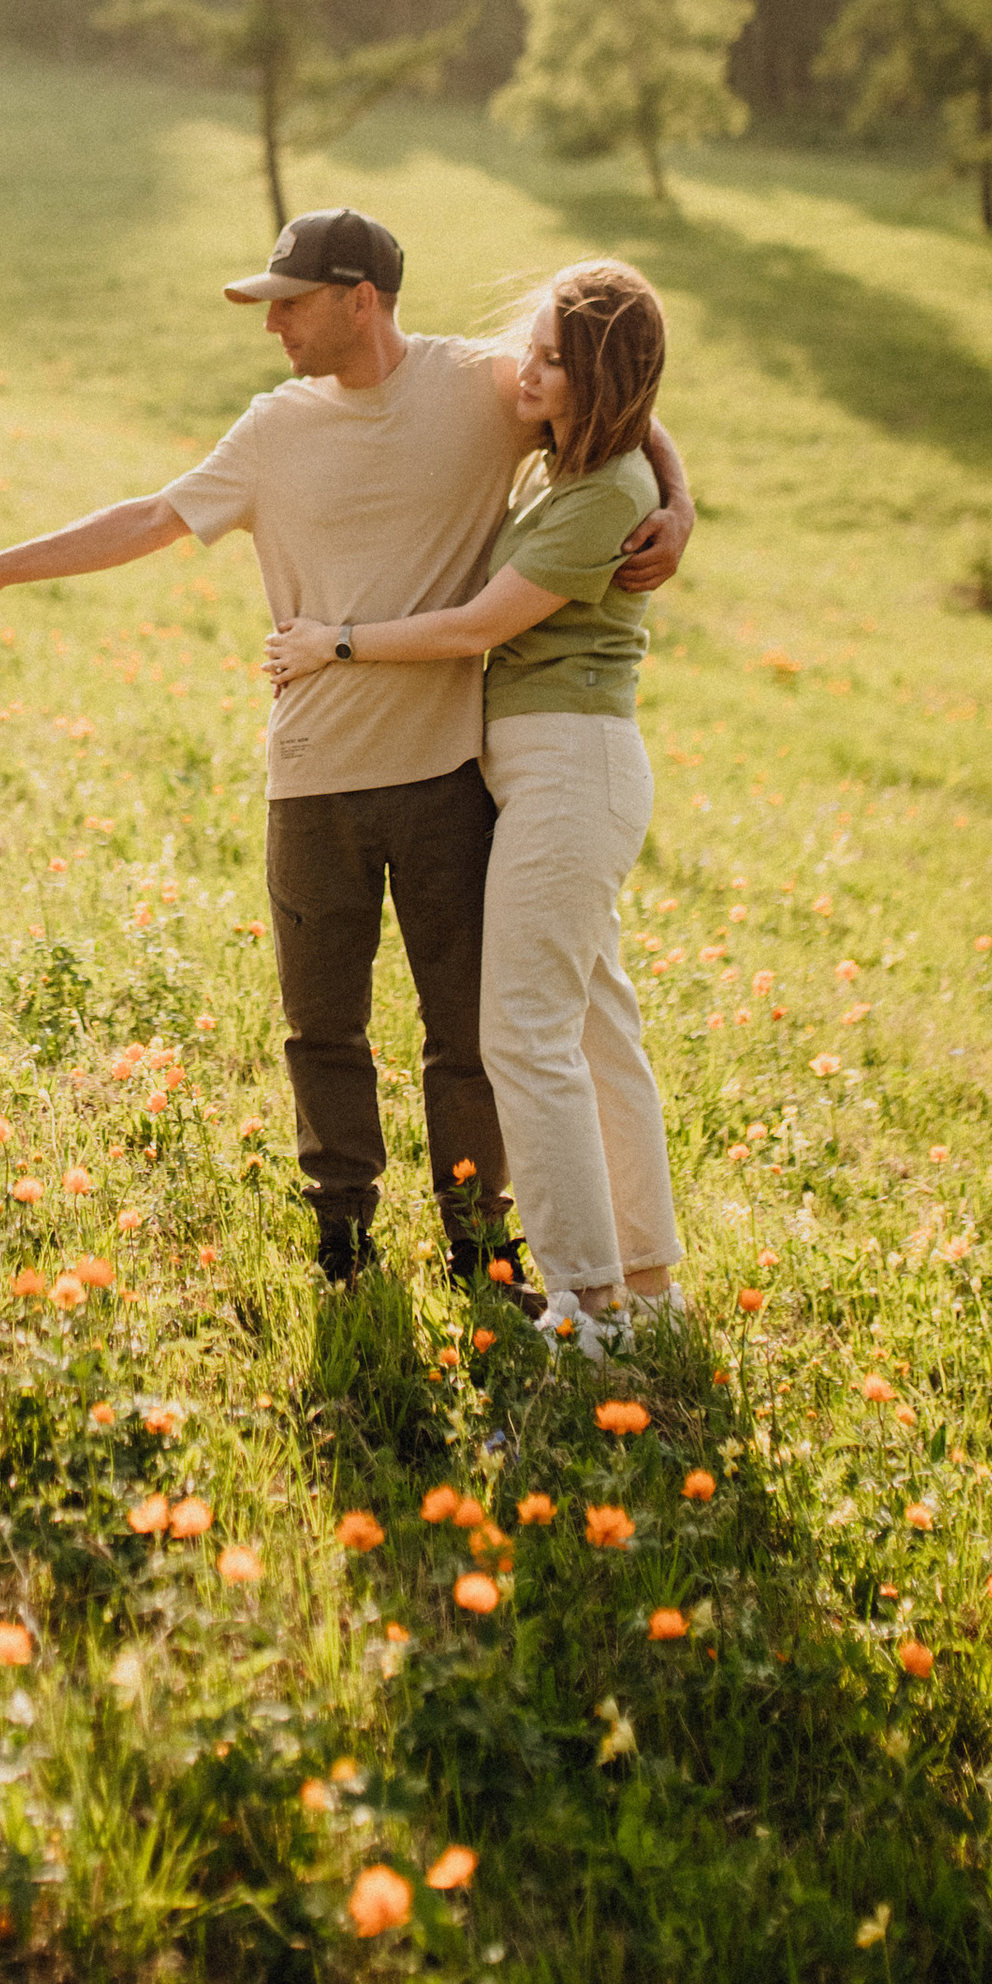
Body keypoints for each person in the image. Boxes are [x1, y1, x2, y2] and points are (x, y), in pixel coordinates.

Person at [0, 208, 693, 1284]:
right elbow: (148, 519)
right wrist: (0, 565)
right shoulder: (273, 429)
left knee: (465, 1039)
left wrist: (678, 503)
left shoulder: (479, 387)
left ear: (357, 300)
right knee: (322, 1027)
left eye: (289, 304)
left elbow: (615, 399)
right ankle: (344, 1237)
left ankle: (481, 1247)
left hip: (448, 777)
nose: (272, 326)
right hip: (313, 775)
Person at [267, 258, 682, 1354]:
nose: (524, 372)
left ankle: (586, 1304)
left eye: (550, 360)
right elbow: (647, 423)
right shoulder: (581, 453)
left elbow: (472, 627)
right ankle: (645, 1283)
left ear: (598, 381)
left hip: (568, 767)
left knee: (526, 1034)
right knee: (595, 1026)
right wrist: (678, 490)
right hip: (545, 767)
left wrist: (334, 642)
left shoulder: (599, 490)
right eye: (531, 348)